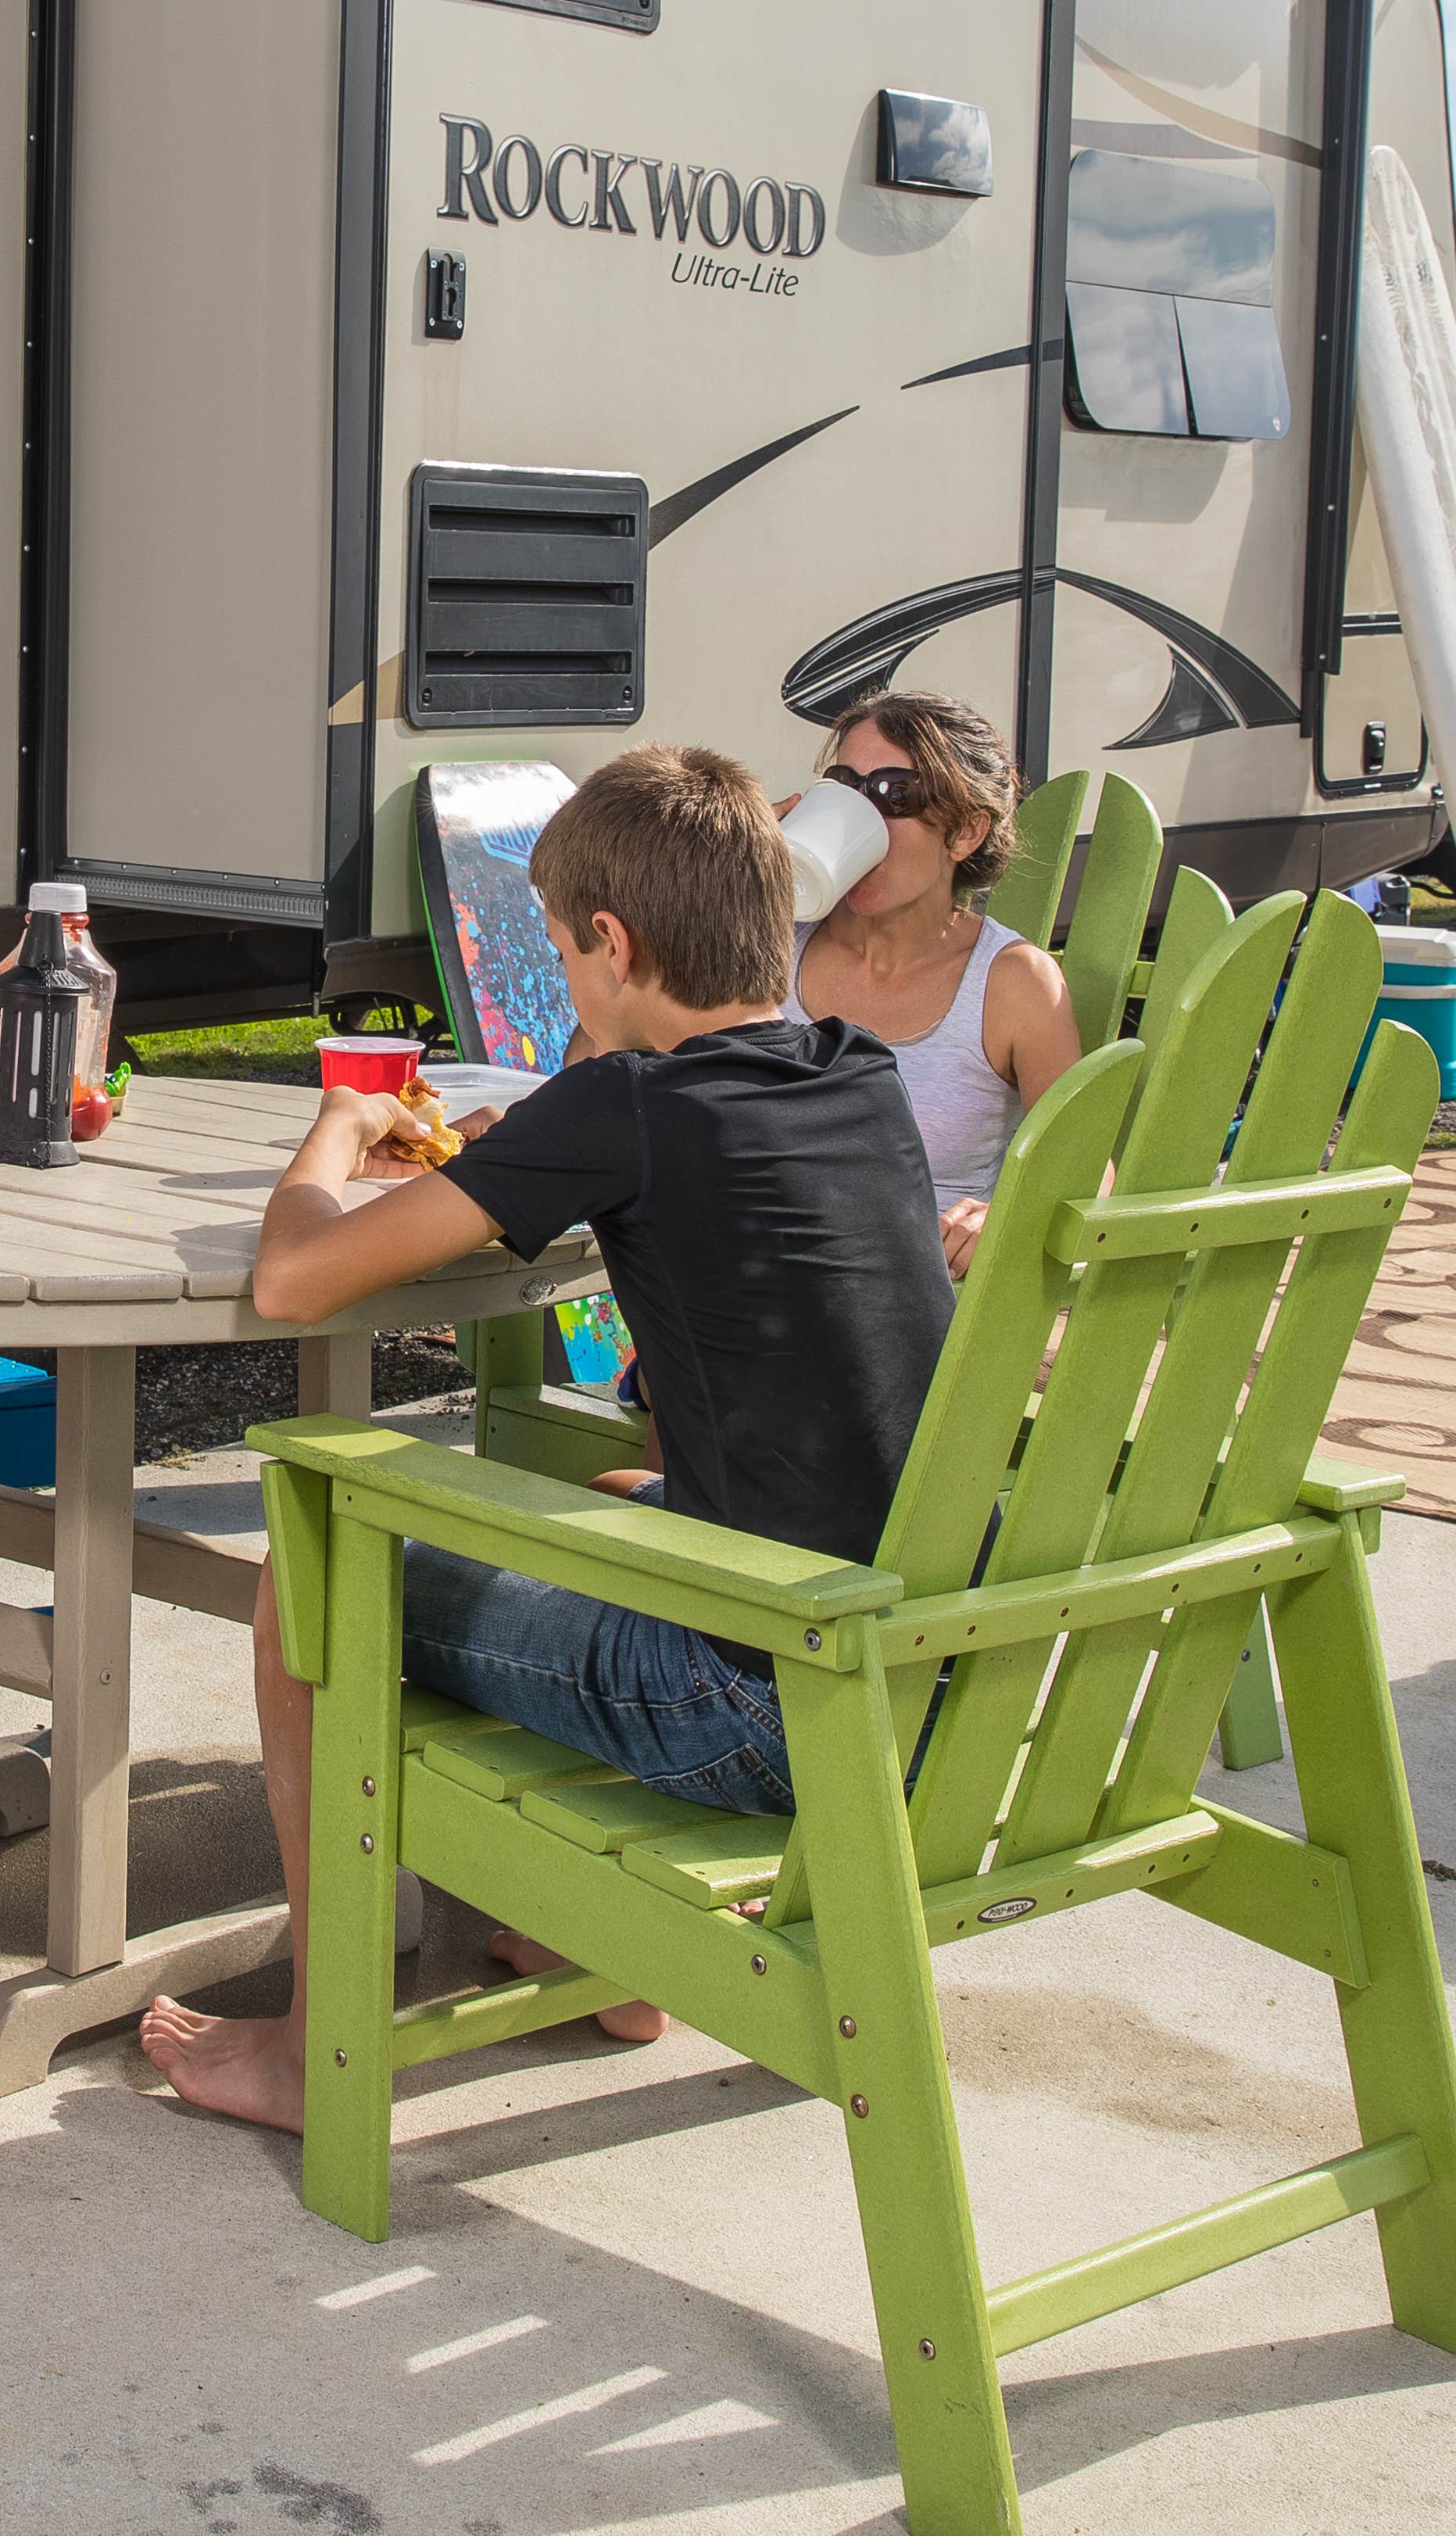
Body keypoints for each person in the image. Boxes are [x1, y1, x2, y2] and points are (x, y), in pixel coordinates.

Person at [139, 744, 953, 2130]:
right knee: (626, 1483)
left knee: (317, 1567)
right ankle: (607, 1951)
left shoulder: (621, 1108)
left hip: (753, 1710)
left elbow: (294, 1280)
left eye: (567, 953)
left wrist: (335, 1127)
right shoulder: (852, 1070)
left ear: (612, 943)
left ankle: (313, 2042)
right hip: (920, 1668)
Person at [782, 689, 1079, 1273]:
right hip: (766, 1281)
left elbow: (1083, 1163)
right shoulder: (774, 939)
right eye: (845, 788)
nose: (861, 817)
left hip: (922, 1305)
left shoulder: (1012, 984)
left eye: (895, 793)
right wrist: (725, 864)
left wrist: (1006, 1212)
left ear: (966, 832)